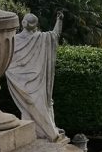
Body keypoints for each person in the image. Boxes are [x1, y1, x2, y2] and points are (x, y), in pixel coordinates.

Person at [6, 12, 66, 142]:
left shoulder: (15, 40)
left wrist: (11, 73)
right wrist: (59, 21)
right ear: (35, 25)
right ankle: (47, 131)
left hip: (26, 81)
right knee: (37, 106)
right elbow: (55, 35)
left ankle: (48, 130)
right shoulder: (38, 38)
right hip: (31, 81)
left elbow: (8, 62)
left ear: (23, 23)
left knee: (40, 105)